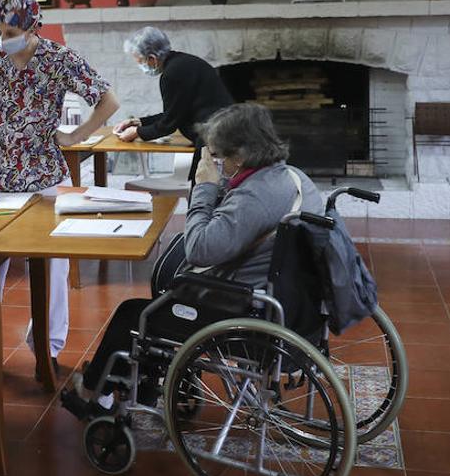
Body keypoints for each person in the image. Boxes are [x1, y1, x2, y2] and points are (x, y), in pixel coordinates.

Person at [61, 103, 323, 418]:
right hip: (287, 302)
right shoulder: (292, 178)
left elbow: (197, 249)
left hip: (242, 311)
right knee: (161, 297)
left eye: (216, 156)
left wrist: (204, 186)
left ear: (238, 157)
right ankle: (140, 381)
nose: (212, 162)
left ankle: (94, 391)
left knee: (133, 313)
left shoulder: (253, 198)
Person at [0, 0, 119, 373]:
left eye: (11, 30)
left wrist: (75, 136)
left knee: (53, 268)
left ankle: (46, 347)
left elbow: (108, 101)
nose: (3, 38)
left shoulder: (59, 59)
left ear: (32, 28)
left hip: (47, 179)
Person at [112, 26, 233, 181]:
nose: (140, 65)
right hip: (225, 130)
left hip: (214, 137)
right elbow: (176, 112)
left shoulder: (171, 75)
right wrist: (138, 122)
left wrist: (137, 132)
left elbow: (169, 124)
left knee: (203, 190)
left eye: (140, 61)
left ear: (152, 58)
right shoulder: (184, 62)